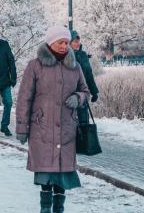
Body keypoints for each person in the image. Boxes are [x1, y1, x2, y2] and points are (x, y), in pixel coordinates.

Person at [15, 25, 89, 213]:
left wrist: (78, 98)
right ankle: (45, 210)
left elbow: (85, 91)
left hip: (67, 130)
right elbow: (24, 97)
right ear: (50, 43)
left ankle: (59, 210)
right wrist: (22, 127)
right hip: (42, 130)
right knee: (46, 174)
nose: (65, 46)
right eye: (60, 42)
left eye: (66, 42)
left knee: (63, 175)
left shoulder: (75, 66)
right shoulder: (35, 66)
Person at [70, 30, 100, 124]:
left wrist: (94, 92)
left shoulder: (83, 55)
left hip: (82, 93)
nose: (78, 44)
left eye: (78, 42)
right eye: (75, 41)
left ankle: (85, 138)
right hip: (69, 94)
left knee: (84, 121)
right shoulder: (64, 56)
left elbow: (89, 75)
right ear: (69, 42)